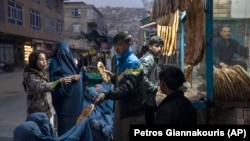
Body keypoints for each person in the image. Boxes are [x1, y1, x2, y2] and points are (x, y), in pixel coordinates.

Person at [94, 31, 145, 141]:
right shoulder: (121, 60)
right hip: (122, 107)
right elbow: (123, 82)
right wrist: (113, 78)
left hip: (131, 110)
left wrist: (106, 95)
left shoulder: (132, 62)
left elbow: (128, 88)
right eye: (116, 44)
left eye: (121, 44)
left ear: (128, 44)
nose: (117, 47)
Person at [22, 51, 74, 134]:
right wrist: (58, 82)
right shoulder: (31, 75)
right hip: (37, 113)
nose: (44, 61)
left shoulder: (39, 71)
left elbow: (59, 68)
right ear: (34, 61)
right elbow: (41, 87)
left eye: (45, 59)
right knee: (41, 135)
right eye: (41, 59)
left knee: (50, 132)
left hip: (48, 110)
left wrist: (77, 69)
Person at [49, 41, 83, 136]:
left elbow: (74, 73)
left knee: (73, 129)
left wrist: (80, 72)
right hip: (64, 106)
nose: (63, 53)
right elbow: (54, 85)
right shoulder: (55, 64)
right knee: (65, 129)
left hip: (73, 105)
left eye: (66, 51)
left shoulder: (69, 62)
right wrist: (69, 80)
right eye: (61, 51)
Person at [140, 36, 163, 125]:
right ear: (150, 46)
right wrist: (154, 88)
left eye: (161, 46)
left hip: (148, 98)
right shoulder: (148, 59)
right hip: (146, 99)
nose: (159, 49)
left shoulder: (153, 58)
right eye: (156, 46)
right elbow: (142, 78)